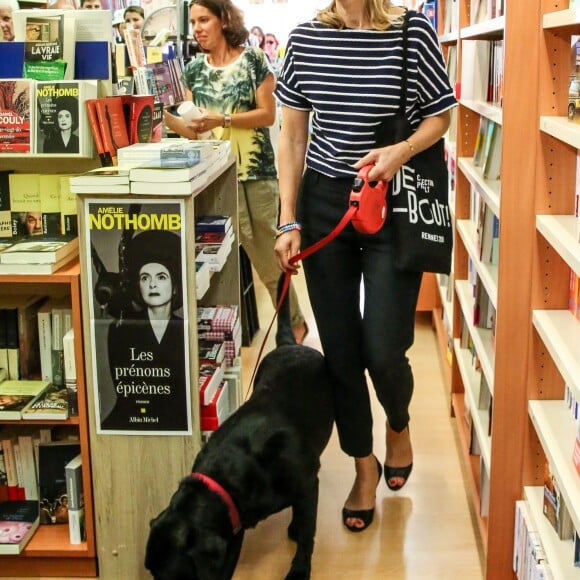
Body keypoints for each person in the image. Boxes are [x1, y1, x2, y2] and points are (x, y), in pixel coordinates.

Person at [274, 0, 456, 532]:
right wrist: (288, 218)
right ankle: (362, 465)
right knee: (340, 352)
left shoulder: (411, 30)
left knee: (383, 346)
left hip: (392, 201)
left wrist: (401, 149)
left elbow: (441, 115)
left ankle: (397, 423)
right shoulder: (304, 39)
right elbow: (290, 133)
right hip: (326, 201)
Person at [163, 0, 308, 345]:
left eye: (204, 20)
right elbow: (193, 129)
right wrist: (171, 119)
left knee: (272, 264)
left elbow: (268, 115)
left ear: (223, 20)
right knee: (213, 269)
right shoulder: (194, 70)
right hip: (211, 178)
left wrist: (221, 119)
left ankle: (295, 331)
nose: (197, 28)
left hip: (255, 176)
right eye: (194, 21)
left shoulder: (253, 59)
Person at [103, 230, 188, 431]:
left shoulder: (186, 329)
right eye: (144, 278)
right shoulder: (119, 330)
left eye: (161, 277)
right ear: (138, 286)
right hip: (131, 419)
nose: (152, 284)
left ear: (174, 286)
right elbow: (125, 392)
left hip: (176, 421)